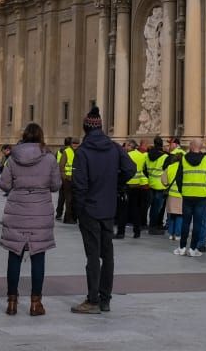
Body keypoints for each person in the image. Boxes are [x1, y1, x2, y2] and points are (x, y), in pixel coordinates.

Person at [70, 105, 134, 315]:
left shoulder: (83, 152)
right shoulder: (114, 147)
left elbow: (79, 186)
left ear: (85, 129)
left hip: (90, 209)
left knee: (93, 256)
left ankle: (93, 299)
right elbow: (130, 169)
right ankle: (106, 299)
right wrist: (117, 184)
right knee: (108, 255)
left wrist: (78, 211)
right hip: (108, 208)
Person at [0, 122, 61, 316]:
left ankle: (12, 301)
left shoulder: (13, 158)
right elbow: (55, 185)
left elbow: (4, 184)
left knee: (14, 254)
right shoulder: (50, 158)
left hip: (17, 208)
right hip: (40, 210)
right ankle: (36, 303)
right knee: (38, 256)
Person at [173, 137, 206, 257]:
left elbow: (178, 177)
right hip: (202, 195)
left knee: (185, 222)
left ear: (191, 146)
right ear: (201, 147)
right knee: (197, 223)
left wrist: (182, 190)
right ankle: (192, 249)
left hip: (187, 194)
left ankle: (181, 248)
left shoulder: (184, 159)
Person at [118, 138, 147, 239]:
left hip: (127, 185)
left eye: (126, 145)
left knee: (123, 210)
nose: (125, 147)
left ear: (130, 146)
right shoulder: (141, 156)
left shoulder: (126, 156)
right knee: (136, 210)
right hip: (138, 185)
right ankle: (137, 232)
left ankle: (121, 232)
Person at [144, 136, 168, 235]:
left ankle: (150, 224)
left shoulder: (148, 155)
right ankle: (153, 227)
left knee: (151, 206)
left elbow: (145, 169)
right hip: (160, 185)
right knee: (156, 208)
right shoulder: (164, 157)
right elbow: (167, 171)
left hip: (151, 183)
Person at [55, 137, 76, 224]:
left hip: (61, 176)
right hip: (67, 177)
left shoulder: (59, 151)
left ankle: (59, 213)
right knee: (69, 198)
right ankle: (68, 217)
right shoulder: (69, 152)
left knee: (62, 197)